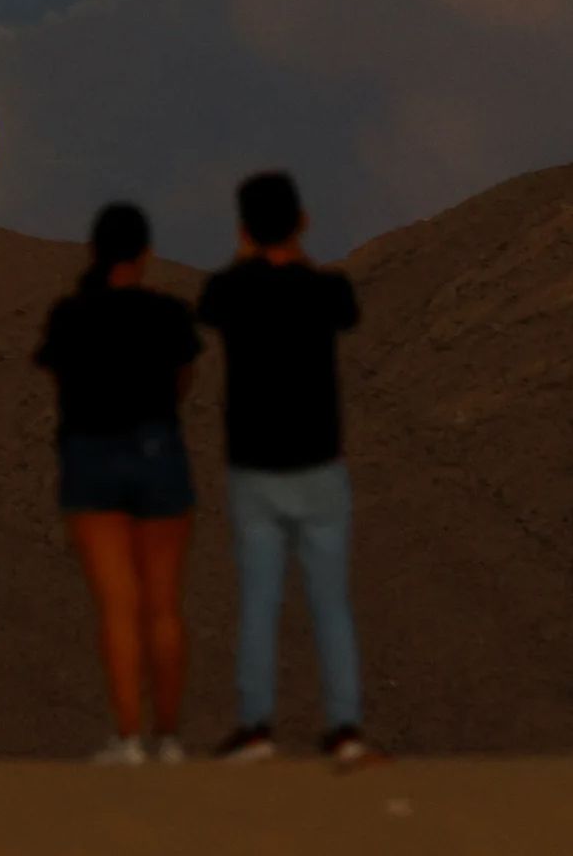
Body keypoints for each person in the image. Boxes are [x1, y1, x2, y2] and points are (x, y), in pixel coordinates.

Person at [196, 172, 380, 768]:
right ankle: (345, 727)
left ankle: (255, 728)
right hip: (320, 465)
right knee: (330, 602)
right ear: (301, 221)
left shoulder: (229, 291)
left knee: (259, 602)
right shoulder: (328, 291)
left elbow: (213, 303)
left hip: (255, 468)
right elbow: (343, 310)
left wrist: (249, 252)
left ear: (244, 228)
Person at [36, 204, 201, 766]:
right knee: (162, 603)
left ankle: (129, 738)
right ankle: (171, 739)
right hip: (157, 451)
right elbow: (184, 378)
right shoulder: (169, 314)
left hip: (92, 455)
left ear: (95, 252)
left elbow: (59, 378)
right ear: (145, 254)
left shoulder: (71, 316)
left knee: (117, 606)